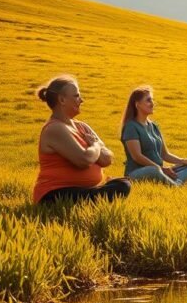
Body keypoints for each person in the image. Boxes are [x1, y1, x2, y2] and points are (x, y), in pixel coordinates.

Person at [32, 75, 131, 205]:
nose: (81, 100)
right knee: (121, 186)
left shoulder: (82, 126)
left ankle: (97, 192)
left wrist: (93, 152)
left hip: (81, 190)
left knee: (124, 183)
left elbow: (107, 159)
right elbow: (83, 160)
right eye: (77, 96)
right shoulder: (55, 128)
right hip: (55, 194)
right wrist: (95, 145)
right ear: (62, 99)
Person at [120, 86, 187, 186]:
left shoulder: (154, 126)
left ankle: (172, 183)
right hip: (137, 173)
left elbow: (165, 154)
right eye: (148, 100)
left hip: (159, 171)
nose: (152, 103)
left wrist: (184, 161)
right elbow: (137, 156)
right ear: (137, 104)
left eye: (152, 100)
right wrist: (161, 169)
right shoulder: (131, 126)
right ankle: (177, 186)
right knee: (154, 170)